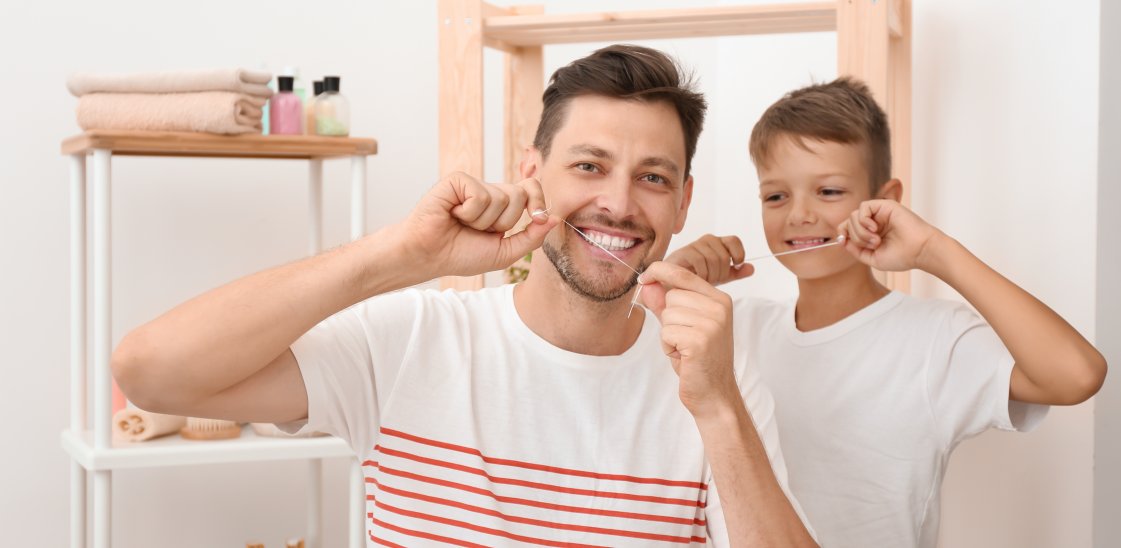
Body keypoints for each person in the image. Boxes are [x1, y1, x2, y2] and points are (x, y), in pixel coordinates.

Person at [112, 45, 816, 547]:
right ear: (530, 171)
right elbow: (150, 370)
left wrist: (718, 406)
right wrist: (400, 256)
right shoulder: (409, 340)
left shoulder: (716, 381)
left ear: (683, 202)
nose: (617, 202)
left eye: (653, 178)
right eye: (588, 166)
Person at [664, 77, 1107, 548]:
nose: (799, 214)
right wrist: (673, 282)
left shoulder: (934, 340)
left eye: (829, 191)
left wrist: (934, 250)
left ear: (887, 199)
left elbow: (1076, 374)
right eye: (776, 196)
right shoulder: (736, 325)